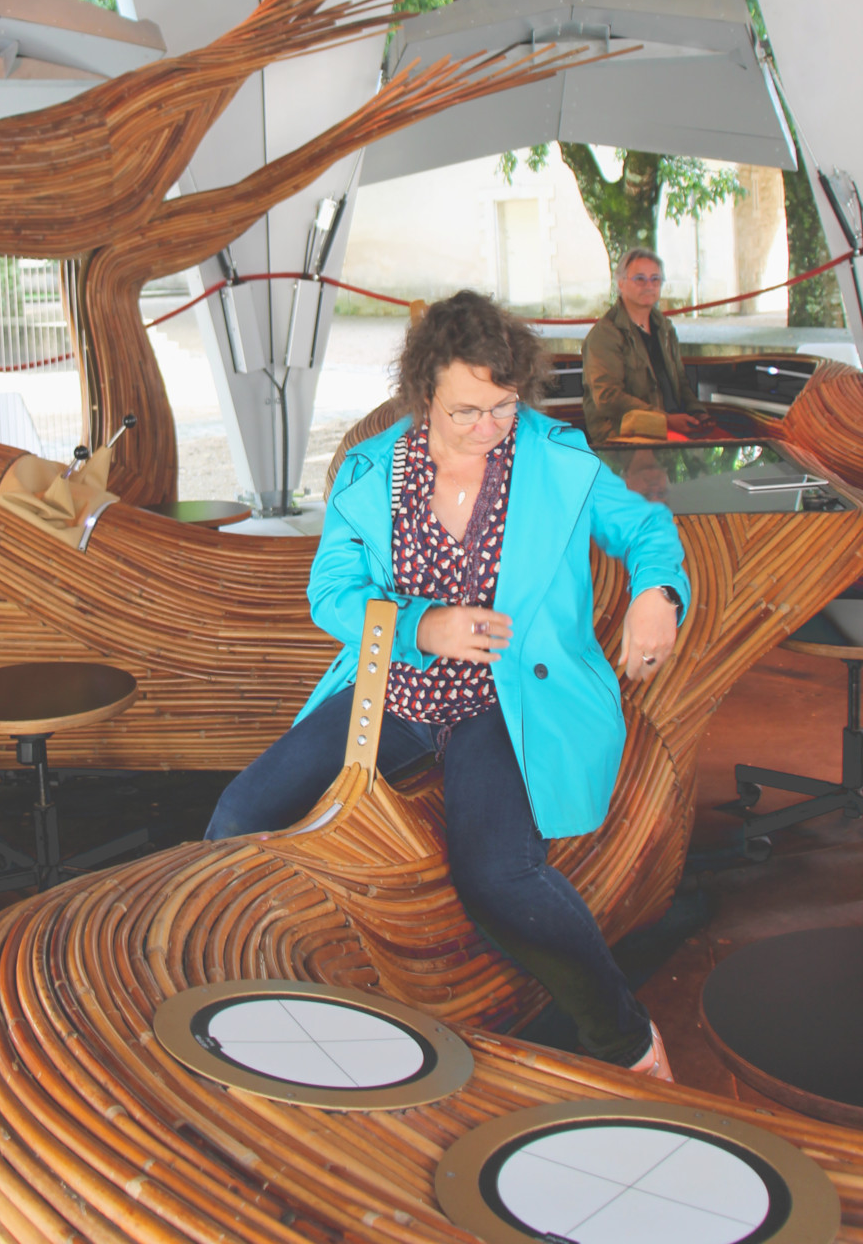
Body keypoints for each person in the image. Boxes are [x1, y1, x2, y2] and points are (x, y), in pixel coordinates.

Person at [207, 290, 689, 1077]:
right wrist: (421, 627)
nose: (489, 429)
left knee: (498, 872)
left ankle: (626, 1039)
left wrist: (656, 594)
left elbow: (644, 528)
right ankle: (260, 1015)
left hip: (506, 699)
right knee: (240, 819)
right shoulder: (370, 473)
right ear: (425, 387)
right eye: (468, 409)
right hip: (390, 692)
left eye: (503, 407)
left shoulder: (556, 455)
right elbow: (331, 594)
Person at [582, 247, 705, 445]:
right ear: (621, 283)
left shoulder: (664, 328)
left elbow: (680, 381)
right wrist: (665, 421)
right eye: (640, 279)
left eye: (655, 279)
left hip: (672, 426)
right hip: (624, 433)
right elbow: (608, 398)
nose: (649, 285)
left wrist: (698, 412)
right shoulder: (605, 335)